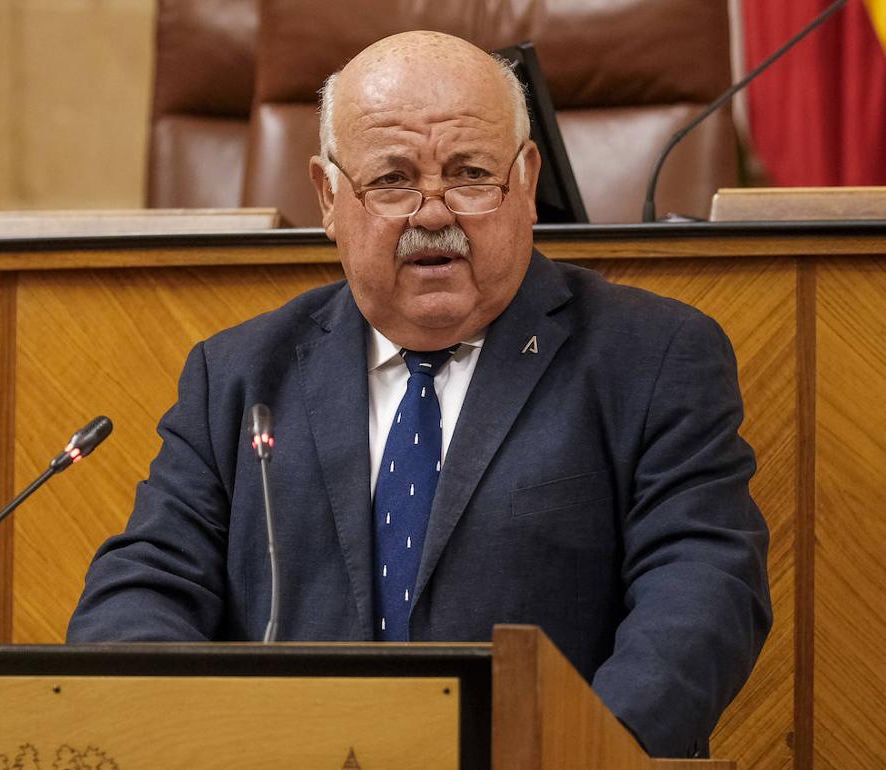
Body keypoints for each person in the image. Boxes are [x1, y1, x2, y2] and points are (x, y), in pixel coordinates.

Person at [67, 31, 771, 759]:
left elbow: (702, 590)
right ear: (328, 197)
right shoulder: (239, 377)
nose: (433, 214)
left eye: (470, 174)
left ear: (527, 182)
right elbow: (139, 596)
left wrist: (583, 752)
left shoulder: (650, 358)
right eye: (393, 180)